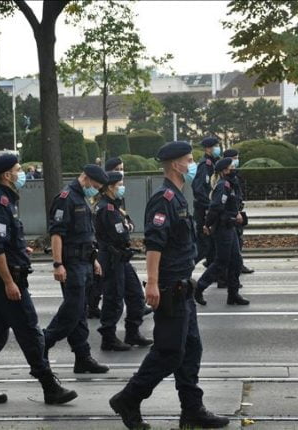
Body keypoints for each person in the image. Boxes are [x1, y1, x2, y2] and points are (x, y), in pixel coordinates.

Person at [109, 141, 229, 430]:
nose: (193, 165)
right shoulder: (164, 198)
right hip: (169, 287)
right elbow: (154, 244)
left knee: (191, 350)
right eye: (189, 160)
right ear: (176, 164)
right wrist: (152, 284)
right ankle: (129, 398)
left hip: (182, 287)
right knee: (169, 352)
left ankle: (192, 410)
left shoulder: (177, 196)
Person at [0, 154, 77, 406]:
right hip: (7, 279)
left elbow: (4, 243)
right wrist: (8, 282)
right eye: (18, 170)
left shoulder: (6, 201)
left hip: (8, 276)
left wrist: (19, 251)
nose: (22, 173)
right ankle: (49, 386)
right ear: (7, 175)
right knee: (29, 330)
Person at [45, 164, 110, 374]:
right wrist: (58, 264)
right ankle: (42, 344)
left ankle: (82, 357)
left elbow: (86, 234)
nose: (97, 190)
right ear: (87, 178)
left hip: (84, 262)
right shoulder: (66, 197)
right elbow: (56, 234)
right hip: (71, 264)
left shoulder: (81, 197)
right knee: (71, 311)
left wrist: (94, 260)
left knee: (79, 312)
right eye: (97, 185)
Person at [94, 171, 153, 351]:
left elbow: (129, 224)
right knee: (113, 299)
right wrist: (127, 226)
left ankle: (132, 332)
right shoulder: (106, 208)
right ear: (110, 187)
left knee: (135, 295)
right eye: (120, 184)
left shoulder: (115, 206)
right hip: (111, 259)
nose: (122, 187)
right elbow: (121, 232)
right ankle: (108, 337)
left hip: (121, 257)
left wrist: (127, 225)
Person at [194, 158, 250, 307]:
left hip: (230, 227)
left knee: (236, 261)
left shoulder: (230, 184)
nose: (234, 169)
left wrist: (237, 214)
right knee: (221, 261)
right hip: (222, 228)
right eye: (232, 167)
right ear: (225, 170)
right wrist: (207, 224)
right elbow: (216, 207)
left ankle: (233, 294)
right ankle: (199, 288)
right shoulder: (223, 185)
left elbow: (231, 205)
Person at [87, 156, 124, 319]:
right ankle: (92, 307)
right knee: (102, 282)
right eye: (117, 169)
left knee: (106, 282)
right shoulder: (104, 206)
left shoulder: (111, 202)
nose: (121, 172)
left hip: (112, 251)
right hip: (107, 249)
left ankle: (136, 305)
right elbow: (118, 230)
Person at [192, 137, 221, 268]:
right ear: (208, 148)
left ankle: (215, 272)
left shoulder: (213, 163)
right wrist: (208, 206)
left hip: (208, 209)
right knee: (204, 245)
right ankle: (185, 268)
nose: (218, 148)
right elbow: (199, 188)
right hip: (203, 210)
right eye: (216, 146)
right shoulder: (206, 165)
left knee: (212, 246)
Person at [224, 149, 253, 275]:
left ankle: (235, 266)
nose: (237, 160)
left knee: (237, 241)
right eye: (235, 158)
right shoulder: (226, 178)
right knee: (234, 243)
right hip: (231, 215)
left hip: (236, 211)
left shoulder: (234, 175)